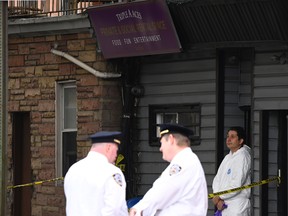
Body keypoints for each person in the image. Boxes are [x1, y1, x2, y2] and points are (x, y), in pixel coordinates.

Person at [129, 123, 208, 216]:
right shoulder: (187, 160)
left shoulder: (183, 163)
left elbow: (160, 193)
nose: (160, 148)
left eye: (162, 143)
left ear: (171, 139)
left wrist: (138, 209)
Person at [64, 131, 128, 216]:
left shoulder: (73, 170)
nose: (116, 155)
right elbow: (113, 209)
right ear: (108, 148)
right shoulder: (112, 172)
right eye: (116, 150)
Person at [212, 126, 251, 216]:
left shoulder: (243, 157)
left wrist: (219, 196)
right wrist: (218, 197)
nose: (228, 139)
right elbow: (217, 179)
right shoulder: (227, 157)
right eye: (228, 136)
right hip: (223, 205)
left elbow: (236, 184)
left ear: (241, 141)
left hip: (237, 206)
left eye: (232, 137)